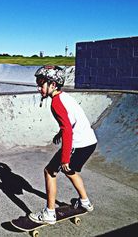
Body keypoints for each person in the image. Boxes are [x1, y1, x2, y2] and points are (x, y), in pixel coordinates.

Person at [29, 65, 97, 225]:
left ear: (53, 84)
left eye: (41, 84)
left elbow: (68, 129)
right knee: (70, 171)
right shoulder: (65, 97)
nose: (39, 88)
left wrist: (65, 158)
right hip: (90, 142)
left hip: (77, 144)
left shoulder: (56, 103)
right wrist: (59, 134)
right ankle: (85, 202)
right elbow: (71, 121)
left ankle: (49, 213)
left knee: (49, 171)